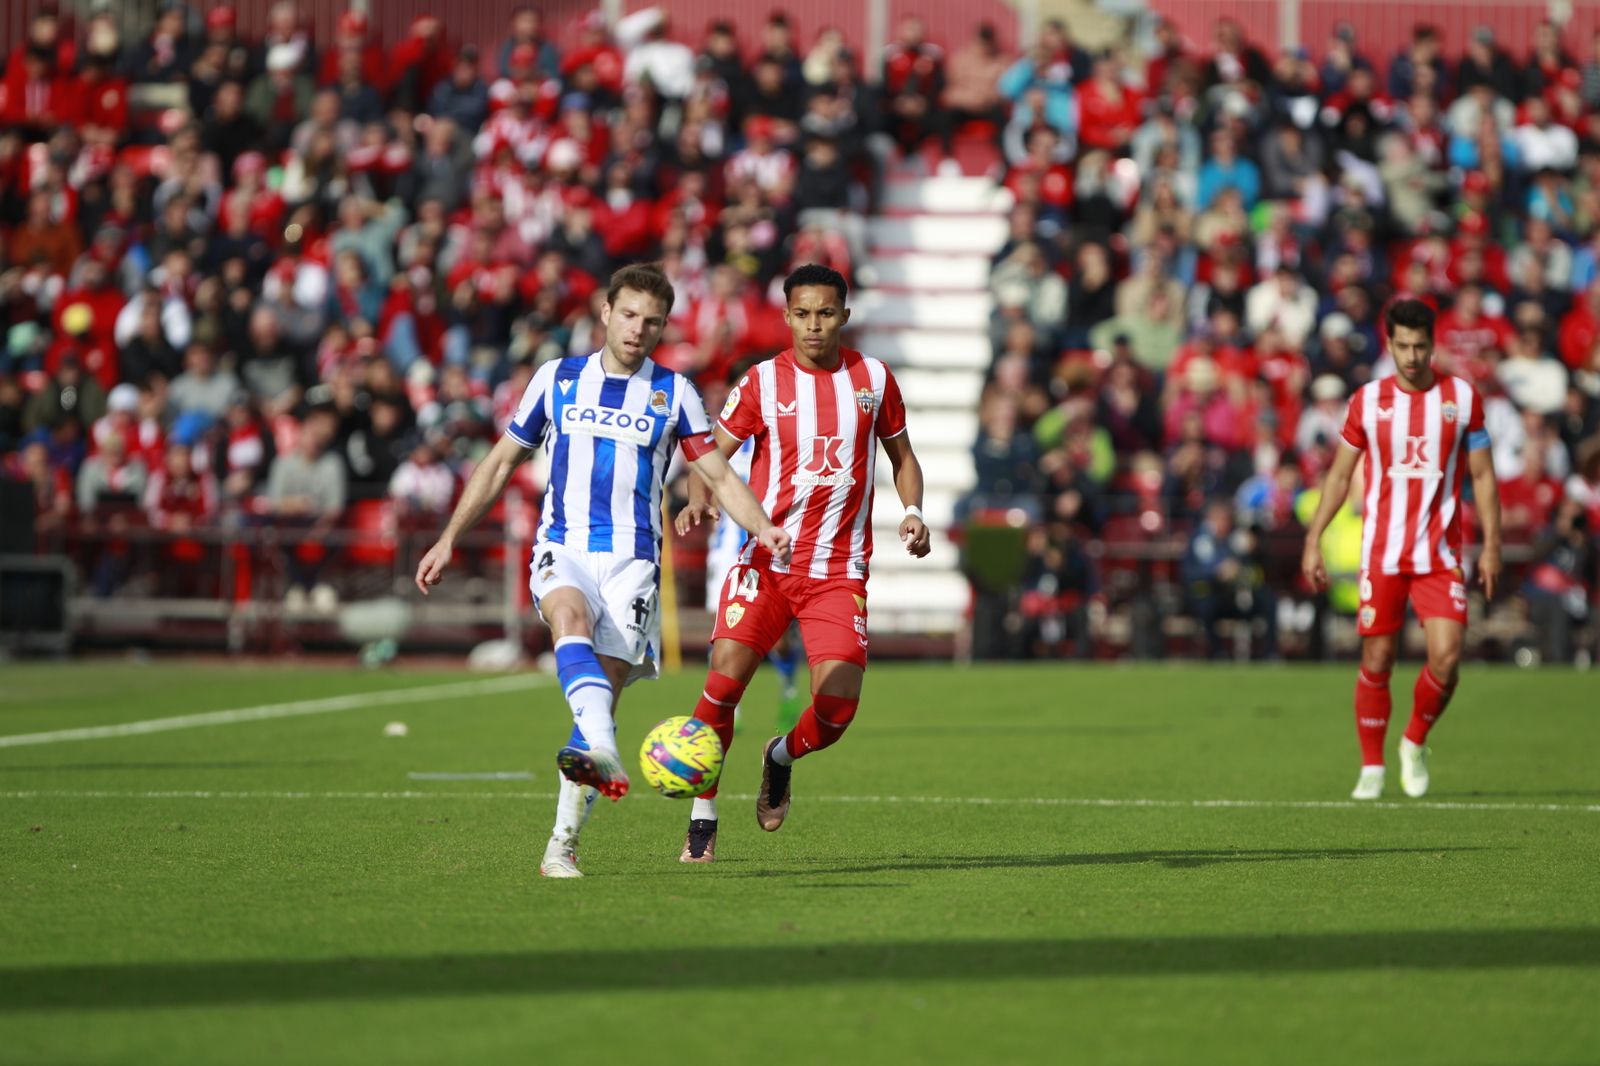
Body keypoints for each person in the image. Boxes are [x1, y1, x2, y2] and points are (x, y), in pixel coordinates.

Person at [413, 263, 791, 879]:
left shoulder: (674, 393)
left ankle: (561, 844)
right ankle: (606, 754)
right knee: (568, 617)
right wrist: (450, 536)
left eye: (653, 321)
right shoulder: (556, 379)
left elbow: (719, 474)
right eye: (630, 315)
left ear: (664, 327)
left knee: (598, 703)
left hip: (634, 561)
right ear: (606, 313)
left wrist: (764, 527)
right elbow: (501, 460)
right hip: (563, 543)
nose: (639, 329)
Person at [672, 264, 931, 863]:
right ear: (787, 316)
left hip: (839, 571)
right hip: (766, 561)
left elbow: (903, 455)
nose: (814, 325)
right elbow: (711, 453)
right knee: (722, 682)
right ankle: (702, 821)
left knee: (837, 709)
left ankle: (780, 757)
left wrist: (913, 510)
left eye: (825, 313)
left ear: (844, 314)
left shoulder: (874, 379)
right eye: (802, 313)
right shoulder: (762, 382)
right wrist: (699, 496)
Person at [1301, 299, 1503, 801]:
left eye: (1420, 346)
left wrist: (1493, 546)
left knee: (1448, 658)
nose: (1412, 356)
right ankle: (1372, 765)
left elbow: (1482, 476)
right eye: (1402, 346)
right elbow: (1341, 474)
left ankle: (1414, 740)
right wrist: (1313, 540)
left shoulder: (1461, 399)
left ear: (1433, 344)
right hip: (1383, 553)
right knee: (1378, 656)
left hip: (1439, 555)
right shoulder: (1367, 402)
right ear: (1388, 344)